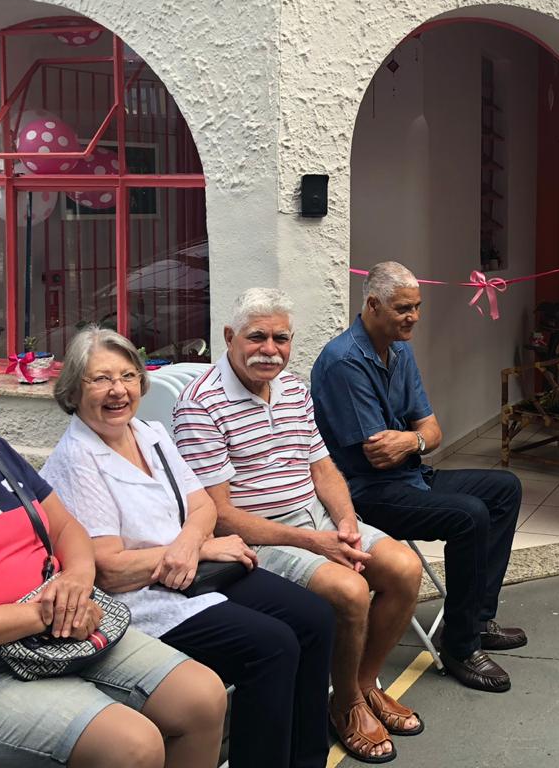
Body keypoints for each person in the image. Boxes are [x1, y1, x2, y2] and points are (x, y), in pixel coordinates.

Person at [0, 324, 226, 768]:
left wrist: (76, 580)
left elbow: (68, 530)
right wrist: (42, 614)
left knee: (203, 697)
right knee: (132, 745)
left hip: (58, 632)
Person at [42, 326, 336, 768]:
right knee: (271, 645)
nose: (118, 390)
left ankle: (306, 760)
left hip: (196, 572)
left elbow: (202, 505)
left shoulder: (149, 433)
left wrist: (189, 544)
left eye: (128, 376)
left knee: (316, 617)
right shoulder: (75, 461)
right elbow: (109, 570)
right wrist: (194, 550)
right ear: (73, 391)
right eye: (100, 379)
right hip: (143, 599)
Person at [173, 289, 426, 764]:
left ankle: (362, 686)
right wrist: (316, 542)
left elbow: (323, 469)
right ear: (229, 337)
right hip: (257, 537)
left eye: (281, 338)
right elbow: (219, 514)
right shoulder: (200, 404)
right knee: (350, 591)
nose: (270, 349)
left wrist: (346, 524)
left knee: (405, 568)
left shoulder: (292, 388)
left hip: (318, 521)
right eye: (257, 337)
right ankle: (346, 705)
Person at [310, 263, 526, 693]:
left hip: (410, 476)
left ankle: (476, 619)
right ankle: (460, 646)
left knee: (505, 488)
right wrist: (416, 439)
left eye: (417, 306)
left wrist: (412, 441)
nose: (414, 317)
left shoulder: (399, 350)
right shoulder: (343, 362)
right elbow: (378, 456)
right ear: (373, 305)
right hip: (366, 493)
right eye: (403, 308)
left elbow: (431, 432)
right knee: (469, 515)